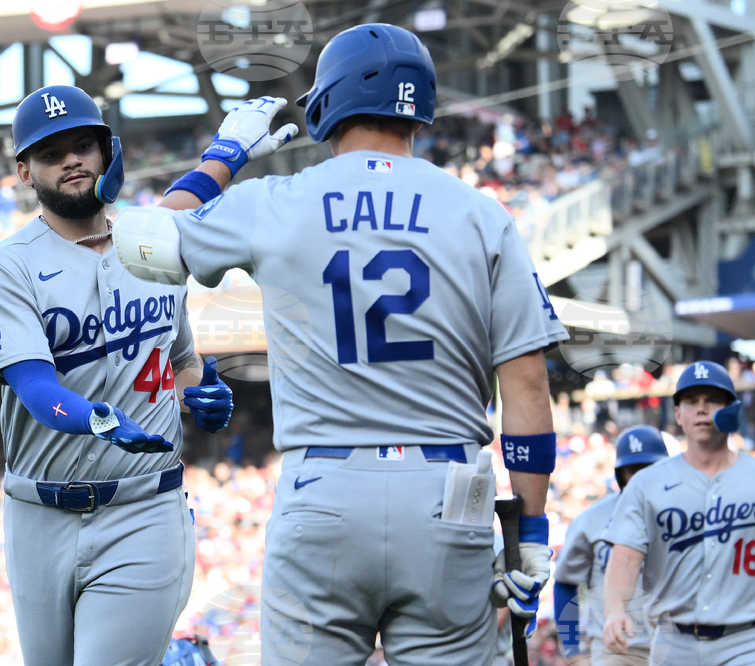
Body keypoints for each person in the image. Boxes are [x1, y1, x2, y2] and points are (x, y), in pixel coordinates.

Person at [112, 23, 568, 665]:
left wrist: (225, 156)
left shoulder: (278, 201)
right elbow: (527, 384)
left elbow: (141, 244)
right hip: (449, 492)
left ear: (327, 102)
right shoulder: (481, 213)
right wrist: (532, 529)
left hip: (323, 489)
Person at [0, 85, 234, 666]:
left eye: (83, 144)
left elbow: (181, 359)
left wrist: (199, 395)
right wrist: (99, 420)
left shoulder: (152, 248)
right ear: (23, 171)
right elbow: (37, 390)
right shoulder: (3, 267)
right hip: (37, 515)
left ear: (107, 152)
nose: (71, 159)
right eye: (51, 152)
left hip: (144, 506)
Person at [602, 361, 750, 666]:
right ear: (678, 414)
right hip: (673, 644)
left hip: (745, 640)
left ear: (731, 409)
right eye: (691, 401)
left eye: (712, 400)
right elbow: (626, 556)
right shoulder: (646, 483)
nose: (702, 409)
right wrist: (615, 609)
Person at [553, 426, 669, 665]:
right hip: (615, 651)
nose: (642, 477)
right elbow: (565, 583)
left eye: (650, 468)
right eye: (634, 470)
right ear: (620, 473)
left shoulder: (687, 517)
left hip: (677, 646)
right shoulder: (591, 519)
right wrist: (573, 650)